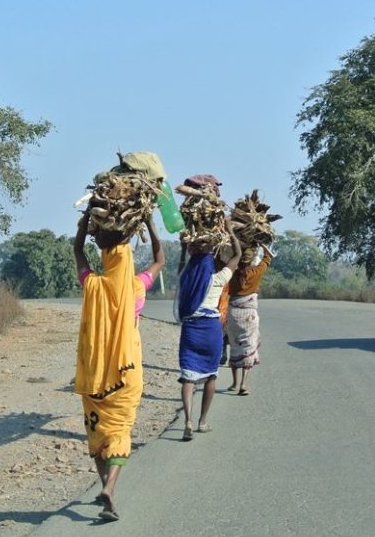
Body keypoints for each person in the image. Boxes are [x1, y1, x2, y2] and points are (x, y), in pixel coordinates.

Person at [73, 213, 165, 521]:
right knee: (121, 431)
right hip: (126, 375)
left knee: (98, 435)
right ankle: (110, 488)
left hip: (93, 377)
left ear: (105, 256)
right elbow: (160, 260)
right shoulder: (137, 288)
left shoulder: (92, 284)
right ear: (126, 259)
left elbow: (78, 253)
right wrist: (150, 224)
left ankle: (105, 486)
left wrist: (85, 222)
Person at [175, 221, 241, 441]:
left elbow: (183, 264)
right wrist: (230, 232)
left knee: (188, 376)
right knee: (211, 375)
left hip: (191, 329)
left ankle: (188, 421)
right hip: (211, 330)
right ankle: (203, 421)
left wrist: (185, 246)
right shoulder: (216, 279)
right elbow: (237, 257)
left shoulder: (186, 278)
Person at [225, 244, 273, 396]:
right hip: (249, 315)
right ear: (251, 259)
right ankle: (243, 384)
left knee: (234, 346)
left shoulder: (231, 272)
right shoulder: (256, 272)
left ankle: (234, 383)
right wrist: (264, 246)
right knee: (248, 347)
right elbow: (267, 259)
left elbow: (218, 262)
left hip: (233, 314)